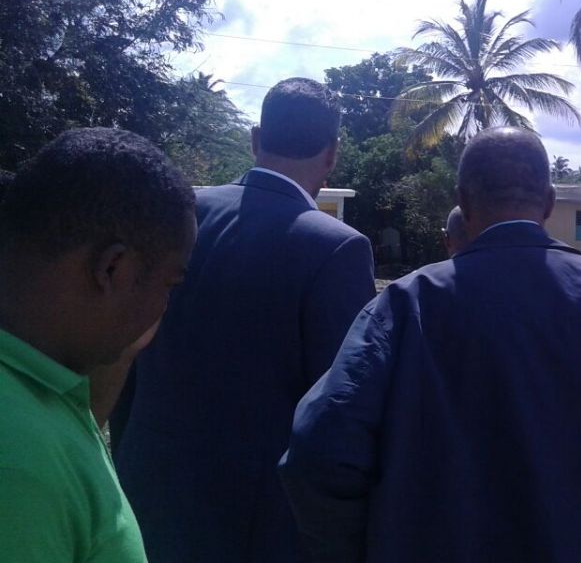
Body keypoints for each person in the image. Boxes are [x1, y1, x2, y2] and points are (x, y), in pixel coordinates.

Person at [280, 127, 581, 563]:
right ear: (549, 203)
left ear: (463, 202)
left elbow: (318, 449)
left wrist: (368, 543)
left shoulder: (407, 305)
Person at [112, 78, 377, 563]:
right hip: (255, 522)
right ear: (333, 154)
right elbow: (337, 410)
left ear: (256, 139)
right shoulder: (337, 248)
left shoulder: (182, 212)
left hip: (142, 491)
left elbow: (126, 351)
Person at [0, 128, 196, 561]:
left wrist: (122, 351)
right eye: (170, 284)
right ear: (112, 268)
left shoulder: (38, 383)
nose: (162, 308)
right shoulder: (17, 468)